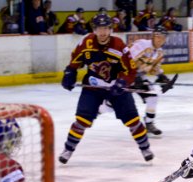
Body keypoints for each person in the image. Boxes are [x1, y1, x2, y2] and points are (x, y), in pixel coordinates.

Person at [59, 14, 154, 164]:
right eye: (99, 29)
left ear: (110, 29)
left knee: (132, 120)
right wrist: (70, 72)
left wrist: (123, 82)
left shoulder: (118, 45)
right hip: (93, 86)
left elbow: (130, 70)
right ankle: (68, 149)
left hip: (116, 88)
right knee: (82, 120)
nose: (102, 32)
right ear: (94, 29)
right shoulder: (87, 42)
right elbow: (75, 59)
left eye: (106, 28)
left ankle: (145, 148)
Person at [127, 25, 175, 136]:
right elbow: (127, 59)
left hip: (139, 78)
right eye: (158, 36)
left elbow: (154, 69)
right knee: (111, 104)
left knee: (153, 96)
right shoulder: (142, 44)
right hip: (124, 75)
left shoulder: (159, 52)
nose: (160, 40)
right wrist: (134, 77)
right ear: (153, 36)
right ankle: (92, 114)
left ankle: (149, 123)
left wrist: (163, 78)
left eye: (163, 37)